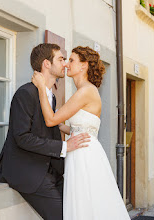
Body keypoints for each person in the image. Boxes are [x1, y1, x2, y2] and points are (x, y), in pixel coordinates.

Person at [0, 43, 91, 220]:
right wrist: (64, 146)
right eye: (60, 59)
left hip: (51, 171)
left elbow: (49, 128)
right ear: (46, 63)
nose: (65, 64)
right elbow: (22, 137)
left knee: (77, 211)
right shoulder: (25, 93)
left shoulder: (50, 96)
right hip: (28, 172)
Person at [32, 46, 131, 220]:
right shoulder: (85, 90)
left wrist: (41, 87)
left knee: (86, 204)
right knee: (84, 204)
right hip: (81, 150)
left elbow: (51, 119)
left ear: (84, 66)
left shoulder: (85, 91)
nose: (66, 64)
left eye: (71, 60)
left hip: (85, 155)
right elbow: (72, 128)